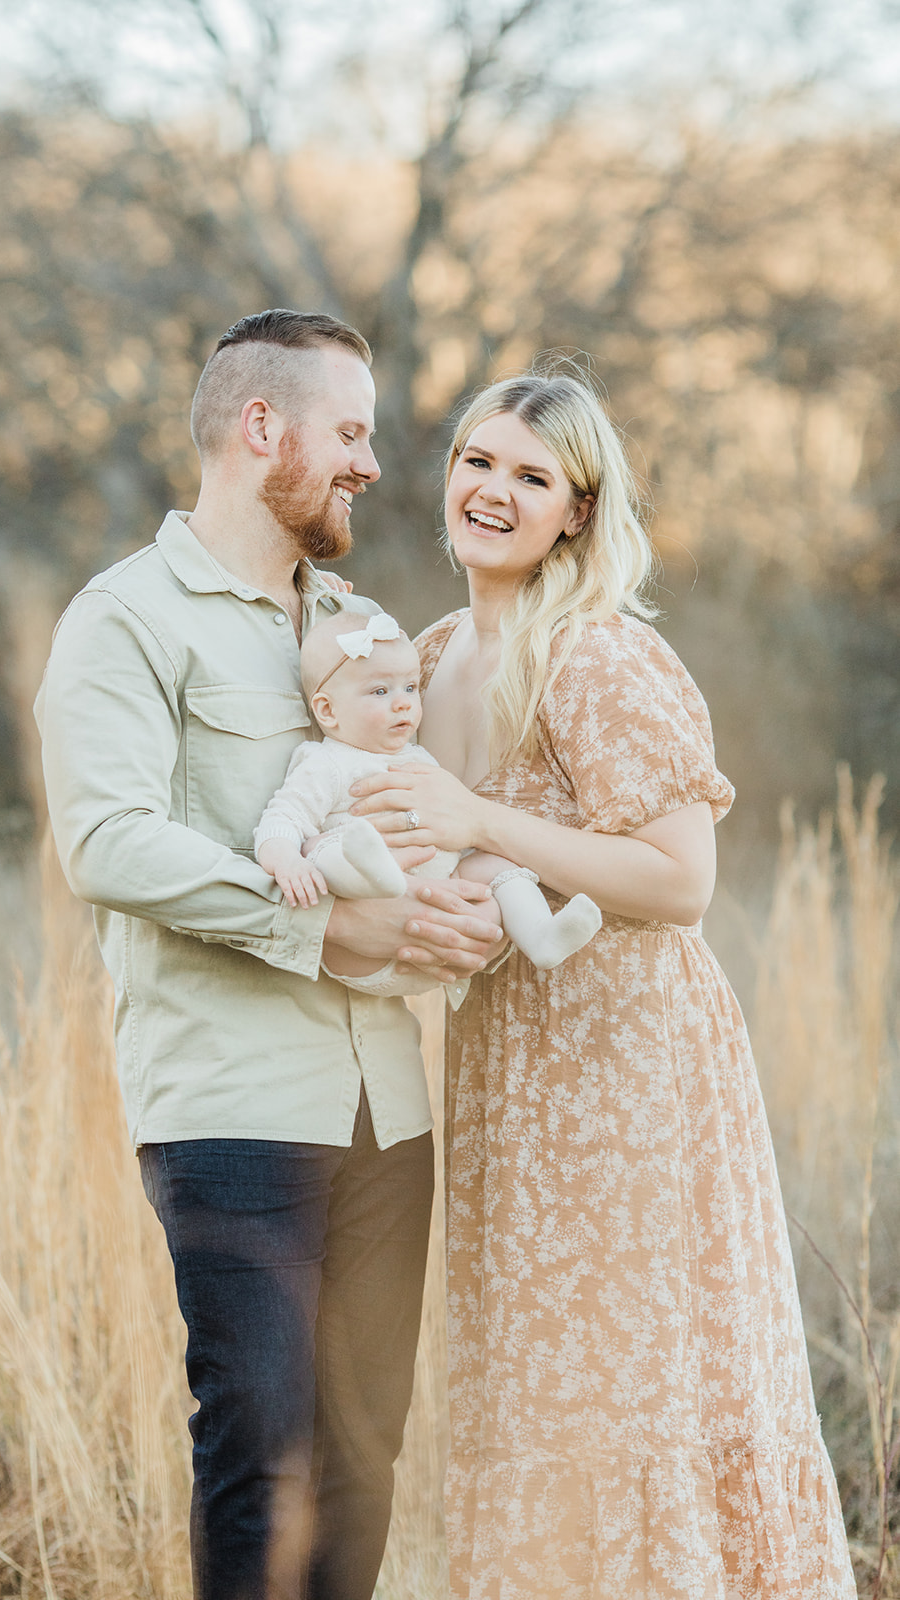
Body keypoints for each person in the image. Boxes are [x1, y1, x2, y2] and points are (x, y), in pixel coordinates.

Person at [348, 366, 857, 1598]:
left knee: (630, 1379)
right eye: (480, 462)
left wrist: (484, 819)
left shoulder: (595, 656)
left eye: (534, 478)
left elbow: (680, 882)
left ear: (576, 512)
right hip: (506, 1062)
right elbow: (440, 849)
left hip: (625, 1064)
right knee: (531, 1374)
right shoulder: (419, 657)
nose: (495, 491)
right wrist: (438, 896)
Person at [33, 308, 504, 1600]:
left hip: (386, 1113)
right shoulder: (123, 622)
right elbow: (108, 844)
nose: (365, 462)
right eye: (346, 433)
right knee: (260, 1456)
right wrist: (314, 922)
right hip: (233, 1113)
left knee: (365, 1457)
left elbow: (404, 826)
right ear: (261, 429)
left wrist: (447, 918)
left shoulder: (356, 629)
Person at [254, 606, 602, 983]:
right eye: (380, 691)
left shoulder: (418, 756)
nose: (403, 702)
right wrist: (288, 861)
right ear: (328, 710)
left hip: (434, 913)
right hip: (365, 938)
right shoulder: (326, 764)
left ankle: (540, 935)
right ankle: (375, 873)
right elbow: (281, 820)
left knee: (495, 866)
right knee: (324, 849)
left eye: (410, 687)